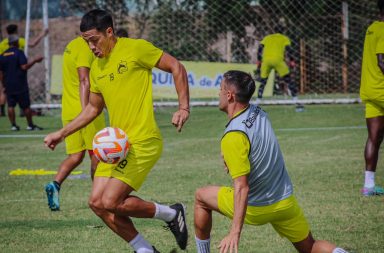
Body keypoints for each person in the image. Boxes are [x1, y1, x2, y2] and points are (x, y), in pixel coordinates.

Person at [44, 9, 189, 253]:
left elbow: (177, 67)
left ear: (109, 32)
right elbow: (92, 109)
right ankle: (146, 250)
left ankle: (171, 213)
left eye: (93, 39)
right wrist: (62, 133)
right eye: (85, 42)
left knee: (111, 201)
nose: (91, 46)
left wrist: (183, 107)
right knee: (97, 203)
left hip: (143, 141)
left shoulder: (136, 48)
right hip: (117, 147)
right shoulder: (97, 68)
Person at [194, 70, 349, 253]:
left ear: (229, 95)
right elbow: (256, 146)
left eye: (220, 89)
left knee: (201, 197)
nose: (218, 93)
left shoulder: (233, 135)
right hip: (284, 201)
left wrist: (235, 232)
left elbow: (242, 187)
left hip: (256, 207)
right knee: (310, 247)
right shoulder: (258, 112)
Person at [44, 36, 106, 211]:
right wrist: (87, 110)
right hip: (84, 111)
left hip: (69, 110)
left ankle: (55, 184)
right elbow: (84, 80)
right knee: (97, 155)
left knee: (75, 156)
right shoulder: (85, 48)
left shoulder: (71, 44)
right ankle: (98, 197)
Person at [359, 0, 384, 196]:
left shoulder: (372, 28)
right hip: (382, 89)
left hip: (370, 90)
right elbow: (382, 60)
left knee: (374, 138)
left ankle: (369, 185)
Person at [0, 24, 49, 117]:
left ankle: (2, 111)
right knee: (22, 93)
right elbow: (32, 44)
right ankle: (25, 114)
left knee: (4, 90)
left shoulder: (3, 43)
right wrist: (42, 34)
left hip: (6, 71)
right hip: (18, 71)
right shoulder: (18, 41)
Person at [0, 34, 44, 131]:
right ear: (16, 42)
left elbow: (1, 73)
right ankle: (30, 125)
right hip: (20, 83)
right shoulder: (19, 53)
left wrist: (3, 85)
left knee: (10, 105)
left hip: (8, 84)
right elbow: (24, 67)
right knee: (25, 105)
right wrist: (35, 61)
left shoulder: (2, 55)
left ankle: (13, 126)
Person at [256, 26, 304, 112]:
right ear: (283, 32)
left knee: (263, 81)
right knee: (288, 80)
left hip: (266, 61)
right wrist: (292, 60)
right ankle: (296, 101)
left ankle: (258, 101)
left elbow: (260, 48)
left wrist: (259, 60)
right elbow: (289, 50)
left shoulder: (267, 38)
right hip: (278, 60)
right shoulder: (284, 38)